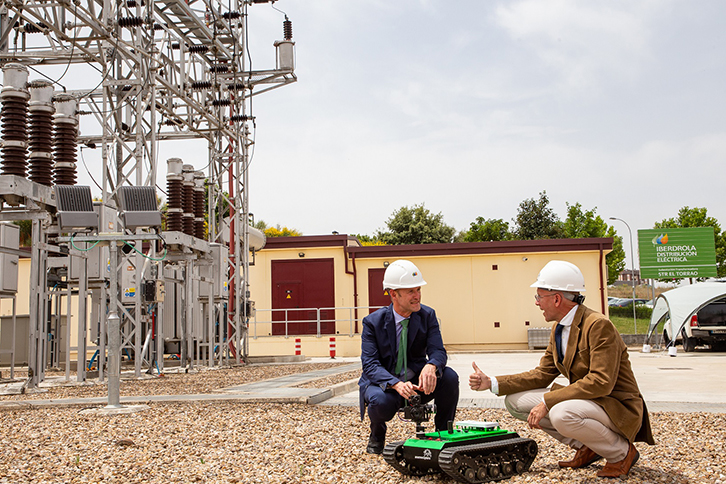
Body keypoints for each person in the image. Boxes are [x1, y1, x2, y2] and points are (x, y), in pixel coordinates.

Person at [469, 260, 654, 478]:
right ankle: (590, 446)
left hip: (615, 405)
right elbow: (542, 374)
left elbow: (601, 381)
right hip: (589, 402)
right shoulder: (558, 327)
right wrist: (491, 382)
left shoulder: (598, 325)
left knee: (560, 413)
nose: (537, 303)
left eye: (539, 297)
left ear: (556, 299)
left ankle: (621, 453)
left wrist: (548, 401)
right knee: (515, 401)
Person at [359, 259, 459, 455]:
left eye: (418, 290)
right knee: (379, 403)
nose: (417, 296)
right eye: (411, 291)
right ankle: (377, 434)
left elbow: (438, 351)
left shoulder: (427, 315)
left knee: (449, 377)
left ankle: (443, 433)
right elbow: (370, 365)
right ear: (393, 294)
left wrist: (431, 365)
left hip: (416, 384)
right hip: (387, 386)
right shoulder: (372, 323)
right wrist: (395, 384)